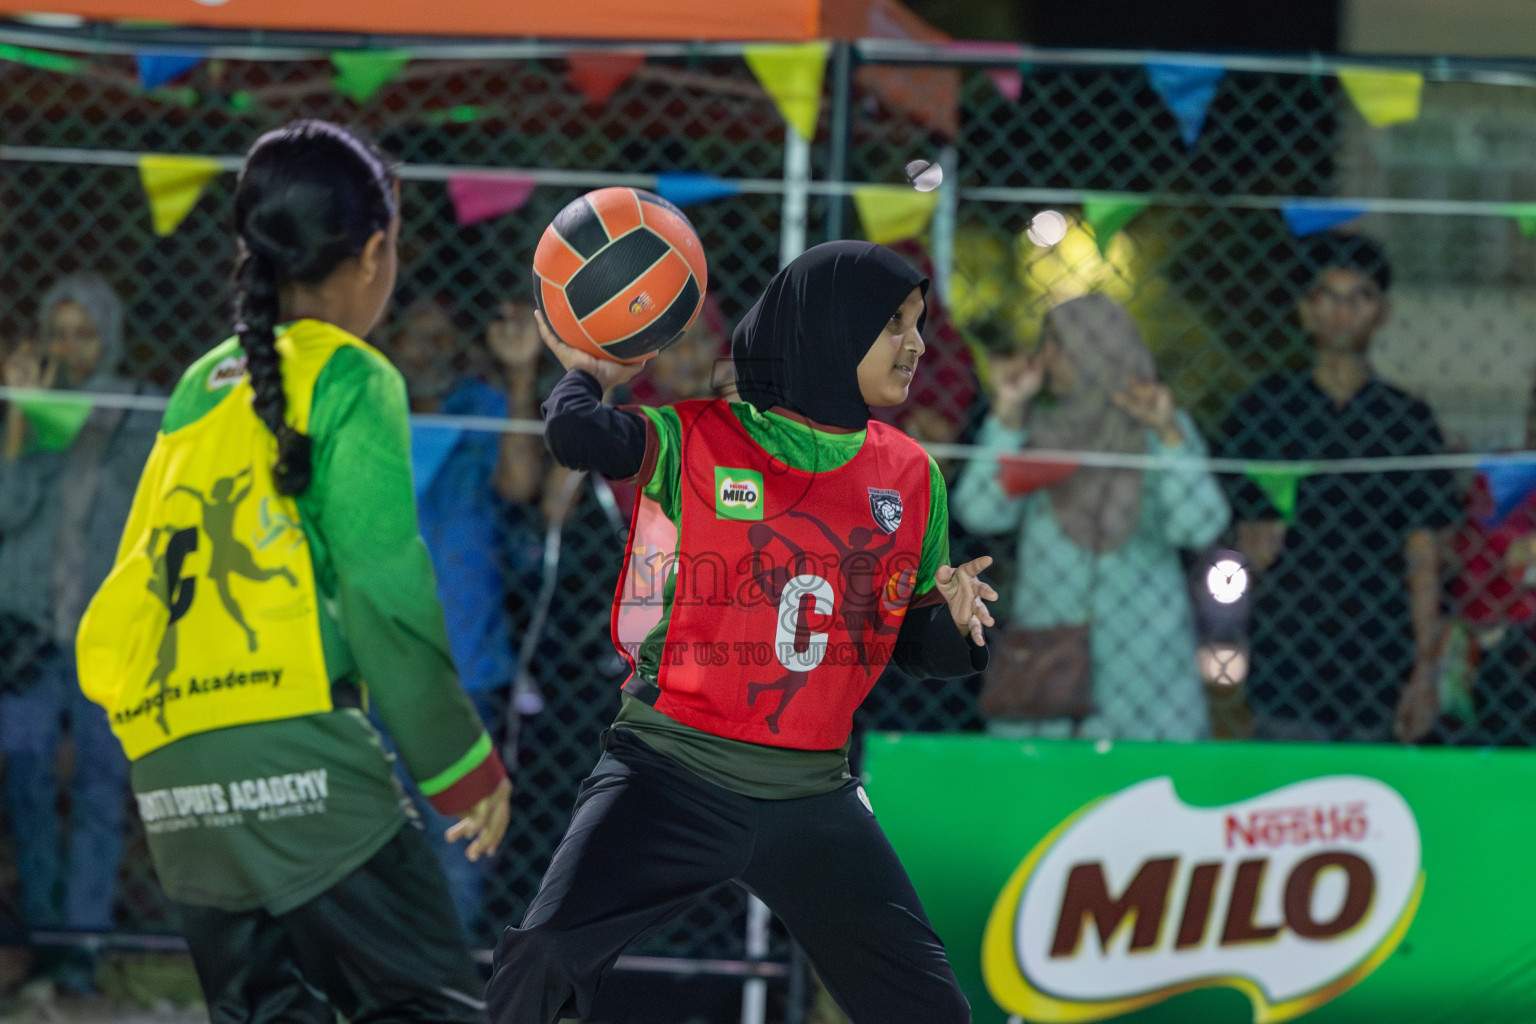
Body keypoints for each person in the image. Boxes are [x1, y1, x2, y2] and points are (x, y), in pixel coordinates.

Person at [486, 240, 996, 1024]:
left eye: (918, 323)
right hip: (670, 769)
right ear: (831, 328)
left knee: (930, 1011)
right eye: (893, 324)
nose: (917, 344)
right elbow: (579, 438)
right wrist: (588, 371)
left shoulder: (910, 473)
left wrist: (957, 625)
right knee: (548, 955)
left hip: (813, 793)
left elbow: (917, 652)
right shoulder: (704, 434)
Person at [74, 120, 511, 1022]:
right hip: (288, 743)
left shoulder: (199, 384)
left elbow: (129, 584)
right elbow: (384, 594)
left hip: (167, 755)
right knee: (430, 1008)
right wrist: (462, 767)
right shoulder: (354, 378)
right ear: (376, 252)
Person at [1214, 234, 1460, 743]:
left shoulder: (1407, 421)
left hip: (1379, 652)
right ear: (1305, 310)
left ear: (1382, 313)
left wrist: (1422, 670)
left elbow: (1423, 554)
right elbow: (1237, 542)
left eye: (1360, 297)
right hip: (1288, 651)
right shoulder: (1265, 410)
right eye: (1328, 296)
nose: (1343, 312)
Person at [954, 294, 1229, 740]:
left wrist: (1169, 435)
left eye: (1058, 345)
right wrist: (1006, 415)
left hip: (1147, 673)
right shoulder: (1036, 429)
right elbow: (982, 513)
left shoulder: (1156, 428)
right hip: (1049, 669)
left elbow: (1199, 525)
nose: (1046, 359)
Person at [0, 272, 158, 991]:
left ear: (109, 335)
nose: (72, 347)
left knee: (100, 783)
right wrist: (20, 421)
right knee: (27, 780)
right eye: (58, 333)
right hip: (28, 634)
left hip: (108, 632)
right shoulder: (26, 412)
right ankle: (44, 929)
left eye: (84, 332)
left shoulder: (139, 413)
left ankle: (83, 947)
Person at [382, 294, 547, 939]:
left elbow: (518, 485)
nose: (428, 353)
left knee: (457, 839)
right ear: (391, 343)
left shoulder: (479, 405)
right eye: (415, 339)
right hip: (376, 659)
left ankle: (445, 985)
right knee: (377, 838)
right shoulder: (375, 405)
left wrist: (517, 377)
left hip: (464, 664)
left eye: (441, 338)